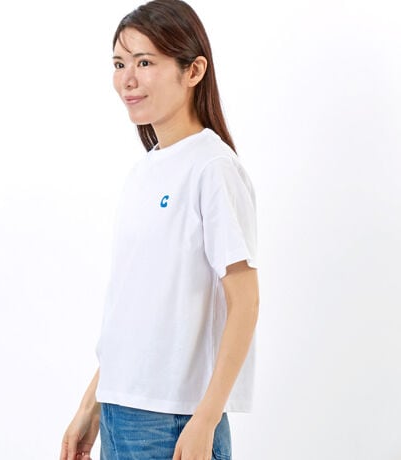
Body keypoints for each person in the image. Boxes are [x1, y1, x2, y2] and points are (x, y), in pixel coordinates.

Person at [59, 0, 260, 459]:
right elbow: (139, 309)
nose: (127, 79)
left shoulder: (212, 168)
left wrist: (206, 417)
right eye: (119, 64)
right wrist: (93, 402)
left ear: (194, 71)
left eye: (144, 62)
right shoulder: (144, 171)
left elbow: (245, 301)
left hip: (173, 421)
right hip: (120, 412)